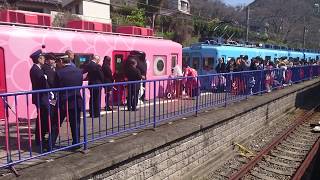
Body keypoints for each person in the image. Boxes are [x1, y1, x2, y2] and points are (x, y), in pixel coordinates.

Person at [54, 57, 83, 149]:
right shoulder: (79, 71)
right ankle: (76, 143)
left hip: (63, 101)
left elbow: (56, 86)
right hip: (76, 99)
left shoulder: (59, 72)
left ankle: (51, 143)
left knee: (56, 123)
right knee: (76, 123)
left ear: (62, 61)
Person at [29, 49, 49, 147]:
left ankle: (41, 137)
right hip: (40, 97)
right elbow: (42, 84)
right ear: (38, 59)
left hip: (41, 97)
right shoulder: (36, 69)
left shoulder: (38, 68)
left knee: (42, 117)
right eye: (42, 57)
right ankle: (40, 139)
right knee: (42, 118)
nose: (44, 59)